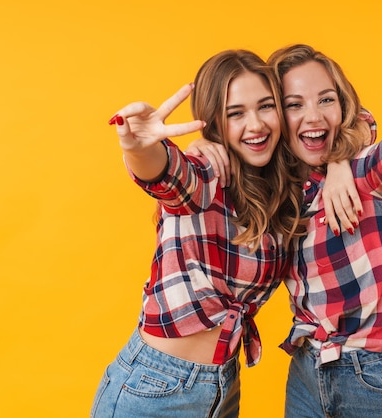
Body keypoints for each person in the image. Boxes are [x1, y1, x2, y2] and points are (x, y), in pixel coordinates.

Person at [189, 44, 382, 417]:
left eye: (326, 100)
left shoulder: (361, 170)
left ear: (343, 106)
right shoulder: (279, 190)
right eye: (293, 104)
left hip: (379, 375)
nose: (313, 116)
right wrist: (206, 144)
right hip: (308, 370)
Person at [90, 49, 310, 418]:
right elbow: (168, 176)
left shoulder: (282, 188)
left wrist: (336, 168)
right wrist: (139, 148)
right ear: (213, 122)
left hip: (222, 387)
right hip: (156, 388)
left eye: (266, 106)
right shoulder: (207, 172)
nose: (255, 125)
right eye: (234, 113)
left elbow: (353, 124)